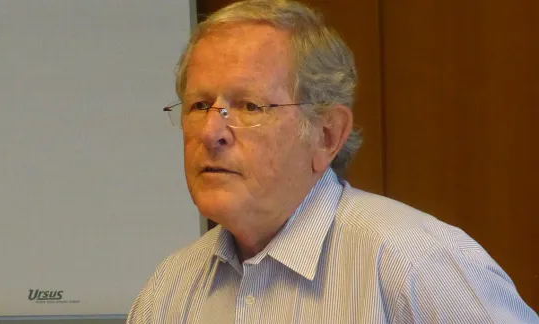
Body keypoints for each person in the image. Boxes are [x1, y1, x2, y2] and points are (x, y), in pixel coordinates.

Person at [127, 0, 538, 323]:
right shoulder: (170, 289)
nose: (210, 133)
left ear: (326, 135)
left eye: (249, 106)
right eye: (200, 105)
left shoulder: (414, 265)